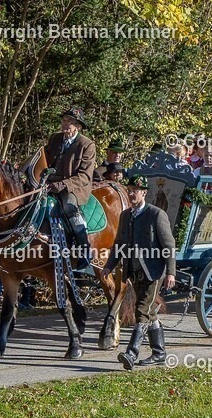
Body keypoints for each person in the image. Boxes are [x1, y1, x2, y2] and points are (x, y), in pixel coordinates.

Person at [100, 176, 176, 369]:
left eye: (136, 190)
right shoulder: (126, 216)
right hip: (133, 272)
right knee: (149, 313)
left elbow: (169, 246)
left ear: (144, 193)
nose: (132, 193)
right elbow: (118, 244)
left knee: (141, 311)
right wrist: (109, 265)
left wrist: (170, 272)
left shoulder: (156, 215)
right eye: (130, 190)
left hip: (153, 272)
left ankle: (131, 354)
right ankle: (159, 353)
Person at [43, 107, 97, 272]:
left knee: (68, 206)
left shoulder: (87, 145)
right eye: (65, 120)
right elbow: (44, 160)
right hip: (49, 183)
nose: (66, 124)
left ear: (78, 126)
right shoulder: (55, 138)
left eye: (71, 122)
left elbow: (84, 177)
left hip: (74, 187)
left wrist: (61, 185)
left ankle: (85, 249)